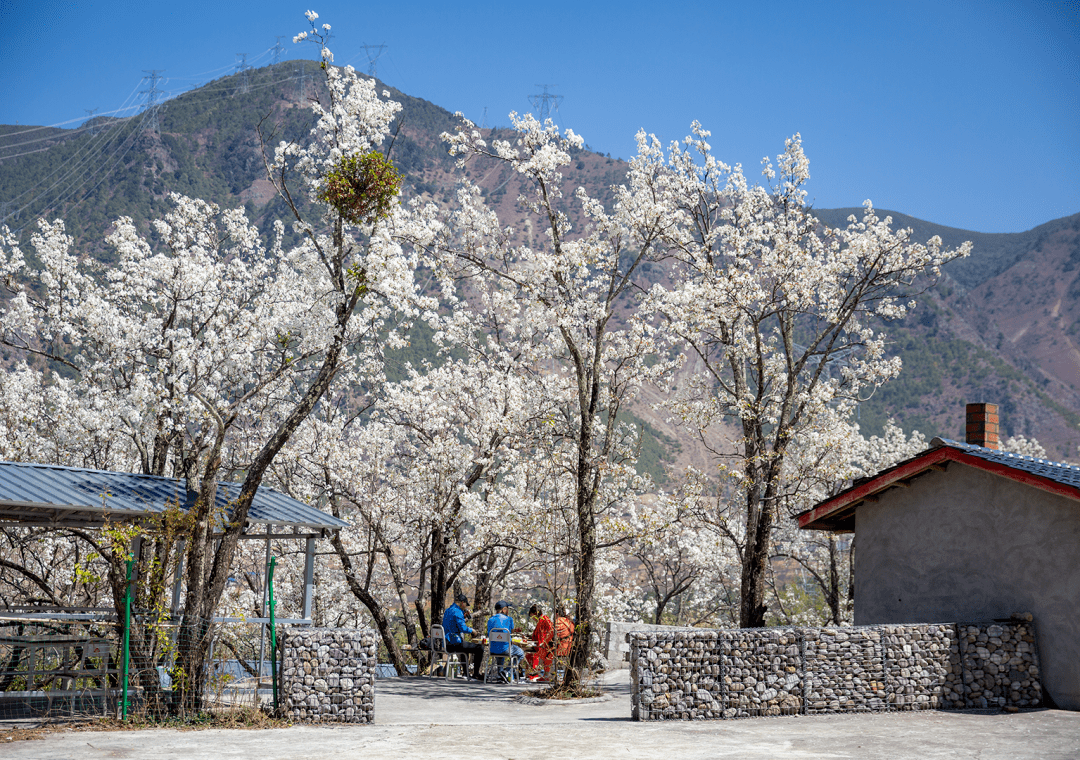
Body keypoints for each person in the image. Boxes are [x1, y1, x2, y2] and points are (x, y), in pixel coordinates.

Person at [441, 592, 483, 679]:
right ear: (462, 603)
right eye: (465, 605)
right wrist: (473, 631)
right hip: (454, 644)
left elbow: (453, 624)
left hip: (446, 643)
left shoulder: (448, 610)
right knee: (480, 648)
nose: (465, 607)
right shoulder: (458, 612)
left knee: (465, 647)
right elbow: (463, 628)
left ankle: (465, 673)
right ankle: (475, 674)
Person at [486, 600, 525, 681]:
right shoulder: (509, 619)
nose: (508, 611)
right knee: (521, 653)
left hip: (492, 650)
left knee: (500, 648)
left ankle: (501, 676)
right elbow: (509, 630)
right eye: (507, 609)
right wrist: (516, 630)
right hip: (506, 650)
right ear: (504, 609)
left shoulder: (490, 620)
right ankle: (507, 671)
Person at [526, 603, 554, 681]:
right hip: (542, 644)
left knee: (532, 654)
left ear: (535, 614)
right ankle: (532, 673)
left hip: (545, 645)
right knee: (528, 654)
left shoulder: (543, 620)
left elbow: (543, 635)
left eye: (532, 616)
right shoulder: (541, 620)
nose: (533, 619)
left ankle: (534, 674)